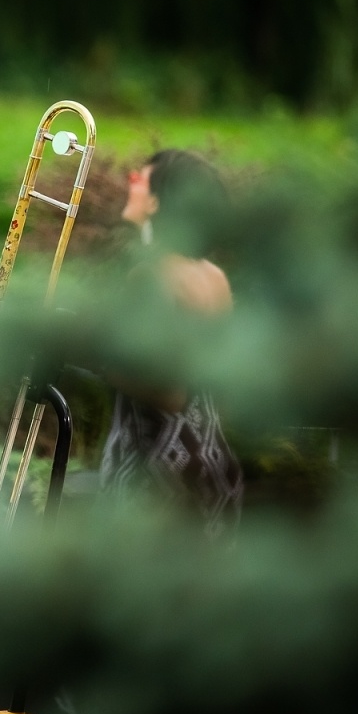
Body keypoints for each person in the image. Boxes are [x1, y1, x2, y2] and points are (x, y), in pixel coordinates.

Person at [99, 148, 243, 538]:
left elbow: (169, 392)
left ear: (159, 202)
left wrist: (97, 357)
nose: (131, 182)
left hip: (155, 483)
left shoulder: (151, 275)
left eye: (140, 179)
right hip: (212, 465)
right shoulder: (214, 277)